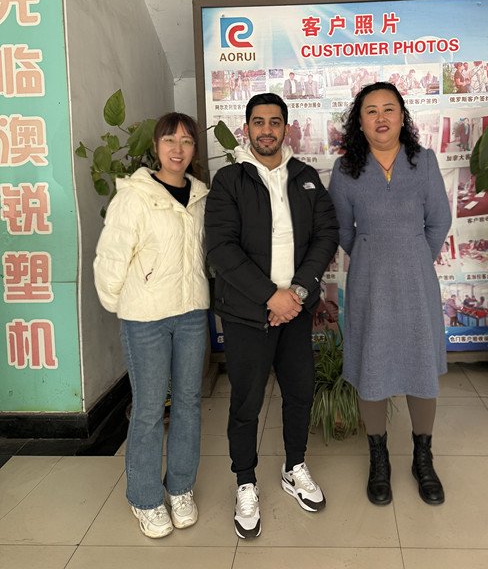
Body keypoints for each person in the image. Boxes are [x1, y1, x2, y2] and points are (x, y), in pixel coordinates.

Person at [205, 93, 338, 539]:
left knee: (299, 392)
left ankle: (294, 467)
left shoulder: (305, 177)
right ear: (246, 129)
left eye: (275, 122)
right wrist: (269, 297)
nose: (267, 130)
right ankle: (245, 482)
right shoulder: (229, 180)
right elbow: (221, 248)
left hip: (296, 310)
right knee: (246, 402)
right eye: (258, 122)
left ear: (286, 128)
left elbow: (326, 233)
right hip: (247, 315)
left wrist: (295, 293)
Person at [328, 82, 451, 508]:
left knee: (420, 363)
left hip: (417, 279)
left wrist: (413, 254)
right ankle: (378, 458)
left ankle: (423, 458)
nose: (381, 118)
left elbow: (439, 221)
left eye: (389, 109)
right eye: (371, 111)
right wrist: (373, 252)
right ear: (359, 122)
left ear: (402, 116)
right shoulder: (345, 170)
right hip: (369, 280)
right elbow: (342, 229)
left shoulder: (424, 161)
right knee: (372, 363)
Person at [94, 113, 210, 539]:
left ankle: (180, 488)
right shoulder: (135, 195)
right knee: (148, 407)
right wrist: (121, 302)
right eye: (169, 140)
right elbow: (111, 255)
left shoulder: (200, 196)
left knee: (188, 403)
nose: (178, 149)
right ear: (156, 147)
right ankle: (144, 498)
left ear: (194, 149)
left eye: (186, 141)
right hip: (145, 318)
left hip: (192, 312)